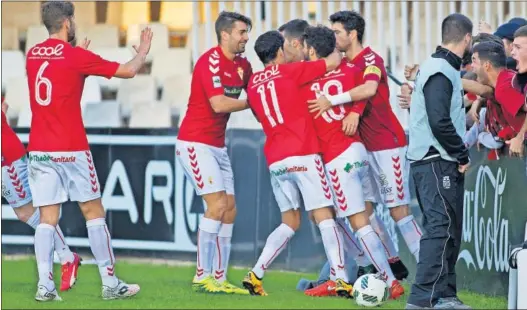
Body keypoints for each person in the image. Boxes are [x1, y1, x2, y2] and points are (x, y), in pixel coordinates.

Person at [26, 1, 152, 301]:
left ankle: (45, 285)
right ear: (68, 22)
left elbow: (59, 75)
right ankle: (110, 282)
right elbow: (129, 71)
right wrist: (143, 50)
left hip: (40, 149)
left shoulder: (32, 54)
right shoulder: (76, 56)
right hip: (71, 148)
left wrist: (77, 57)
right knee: (93, 212)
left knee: (47, 218)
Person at [309, 10, 422, 280]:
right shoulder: (343, 62)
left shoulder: (371, 59)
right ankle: (390, 265)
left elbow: (370, 89)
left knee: (398, 210)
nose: (334, 37)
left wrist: (346, 108)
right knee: (365, 212)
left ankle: (432, 272)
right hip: (362, 147)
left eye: (337, 32)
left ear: (352, 33)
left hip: (386, 144)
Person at [242, 30, 353, 298]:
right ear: (280, 52)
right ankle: (340, 278)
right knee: (325, 215)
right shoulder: (290, 71)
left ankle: (256, 274)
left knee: (289, 221)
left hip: (276, 159)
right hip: (302, 152)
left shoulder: (253, 83)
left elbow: (259, 116)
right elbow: (333, 62)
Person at [299, 25, 405, 299]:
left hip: (337, 159)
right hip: (360, 152)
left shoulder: (306, 83)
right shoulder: (350, 71)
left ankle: (387, 280)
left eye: (304, 49)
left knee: (356, 221)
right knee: (363, 215)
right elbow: (365, 92)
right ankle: (371, 270)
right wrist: (355, 112)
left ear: (311, 50)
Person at [176, 11, 253, 295]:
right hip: (195, 143)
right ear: (225, 34)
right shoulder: (209, 61)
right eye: (242, 32)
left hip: (217, 146)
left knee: (229, 209)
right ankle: (201, 276)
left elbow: (258, 91)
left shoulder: (244, 64)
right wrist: (252, 103)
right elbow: (219, 104)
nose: (246, 37)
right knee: (218, 205)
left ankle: (219, 278)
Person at [405, 13, 473, 310]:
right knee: (441, 227)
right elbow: (439, 120)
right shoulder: (440, 69)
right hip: (436, 159)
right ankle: (422, 299)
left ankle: (445, 296)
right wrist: (461, 152)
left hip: (435, 159)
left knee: (448, 228)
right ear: (467, 39)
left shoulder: (440, 67)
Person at [1, 101, 80, 292]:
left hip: (6, 158)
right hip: (7, 152)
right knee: (25, 213)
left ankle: (67, 257)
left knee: (28, 211)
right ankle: (66, 257)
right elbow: (4, 106)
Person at [471, 42, 527, 159]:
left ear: (486, 65)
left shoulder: (503, 88)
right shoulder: (504, 80)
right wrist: (478, 101)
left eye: (474, 60)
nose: (472, 66)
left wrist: (520, 137)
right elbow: (484, 91)